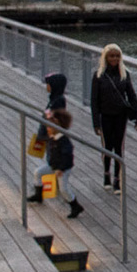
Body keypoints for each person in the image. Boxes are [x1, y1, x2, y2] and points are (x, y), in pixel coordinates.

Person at [91, 43, 137, 193]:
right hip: (105, 115)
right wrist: (96, 123)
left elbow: (132, 97)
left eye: (117, 56)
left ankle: (117, 179)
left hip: (120, 116)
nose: (114, 58)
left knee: (119, 147)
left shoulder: (124, 74)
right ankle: (106, 173)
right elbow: (94, 101)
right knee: (107, 146)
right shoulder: (99, 76)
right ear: (105, 58)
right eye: (111, 56)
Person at [28, 109, 83, 219]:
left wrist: (61, 169)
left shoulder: (63, 140)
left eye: (49, 127)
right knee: (38, 172)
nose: (47, 129)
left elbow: (68, 157)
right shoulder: (53, 138)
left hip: (63, 169)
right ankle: (38, 195)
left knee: (64, 189)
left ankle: (75, 205)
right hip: (53, 165)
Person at [27, 73, 69, 202]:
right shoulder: (54, 99)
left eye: (48, 84)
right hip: (48, 135)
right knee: (51, 158)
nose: (47, 87)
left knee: (53, 161)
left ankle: (60, 188)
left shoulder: (58, 101)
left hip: (52, 136)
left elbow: (55, 118)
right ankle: (45, 190)